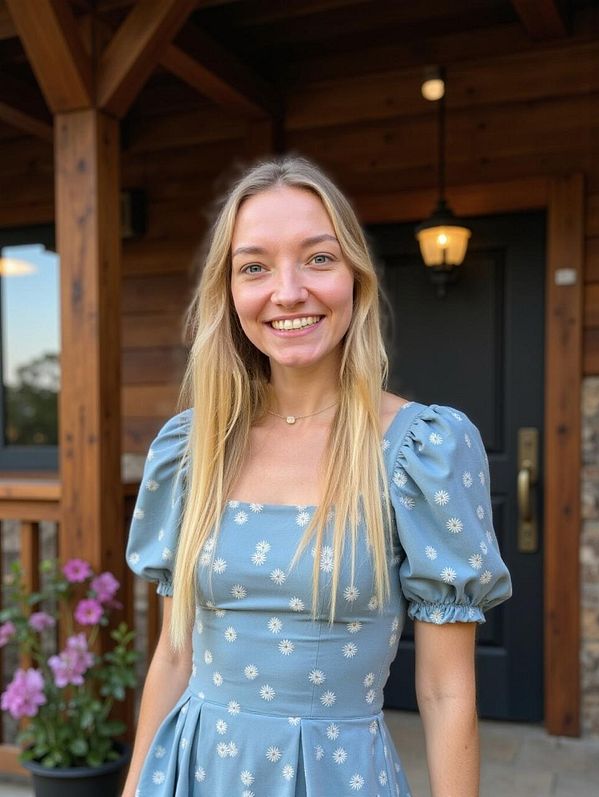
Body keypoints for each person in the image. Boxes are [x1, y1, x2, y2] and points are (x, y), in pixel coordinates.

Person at [122, 156, 512, 797]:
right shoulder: (194, 446)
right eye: (254, 266)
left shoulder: (420, 449)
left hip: (336, 777)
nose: (287, 291)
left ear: (356, 277)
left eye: (318, 258)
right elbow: (173, 652)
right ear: (230, 294)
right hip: (193, 773)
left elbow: (444, 688)